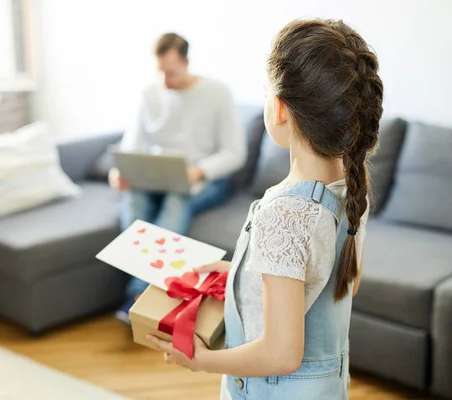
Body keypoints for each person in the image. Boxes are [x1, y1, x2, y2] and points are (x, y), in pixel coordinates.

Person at [146, 18, 383, 400]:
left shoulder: (284, 212)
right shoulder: (351, 186)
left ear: (280, 109)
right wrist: (242, 270)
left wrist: (201, 360)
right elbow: (339, 283)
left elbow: (280, 354)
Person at [110, 33, 246, 323]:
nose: (164, 80)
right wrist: (120, 173)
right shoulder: (149, 94)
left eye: (170, 72)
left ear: (186, 62)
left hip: (204, 179)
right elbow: (131, 145)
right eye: (159, 71)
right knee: (132, 200)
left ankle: (137, 295)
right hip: (156, 177)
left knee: (176, 200)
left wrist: (198, 171)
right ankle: (144, 295)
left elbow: (235, 153)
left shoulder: (217, 93)